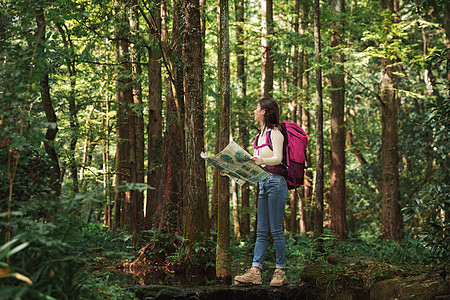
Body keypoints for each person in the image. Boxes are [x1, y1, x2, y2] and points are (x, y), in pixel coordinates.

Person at [234, 97, 289, 287]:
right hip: (263, 182)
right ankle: (255, 271)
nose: (254, 111)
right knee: (261, 231)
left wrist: (260, 161)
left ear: (264, 111)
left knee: (276, 230)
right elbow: (255, 163)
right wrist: (233, 169)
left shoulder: (276, 133)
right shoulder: (259, 136)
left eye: (256, 108)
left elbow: (278, 158)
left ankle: (279, 271)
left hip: (276, 182)